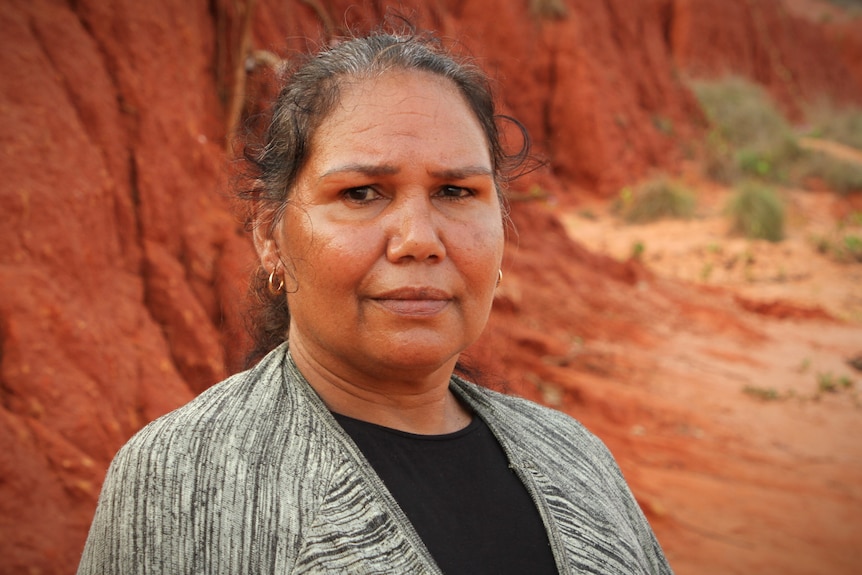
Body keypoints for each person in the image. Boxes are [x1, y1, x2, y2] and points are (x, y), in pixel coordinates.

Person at [77, 27, 673, 575]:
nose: (419, 239)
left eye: (455, 191)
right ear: (270, 236)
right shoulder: (182, 480)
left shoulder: (573, 456)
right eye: (361, 192)